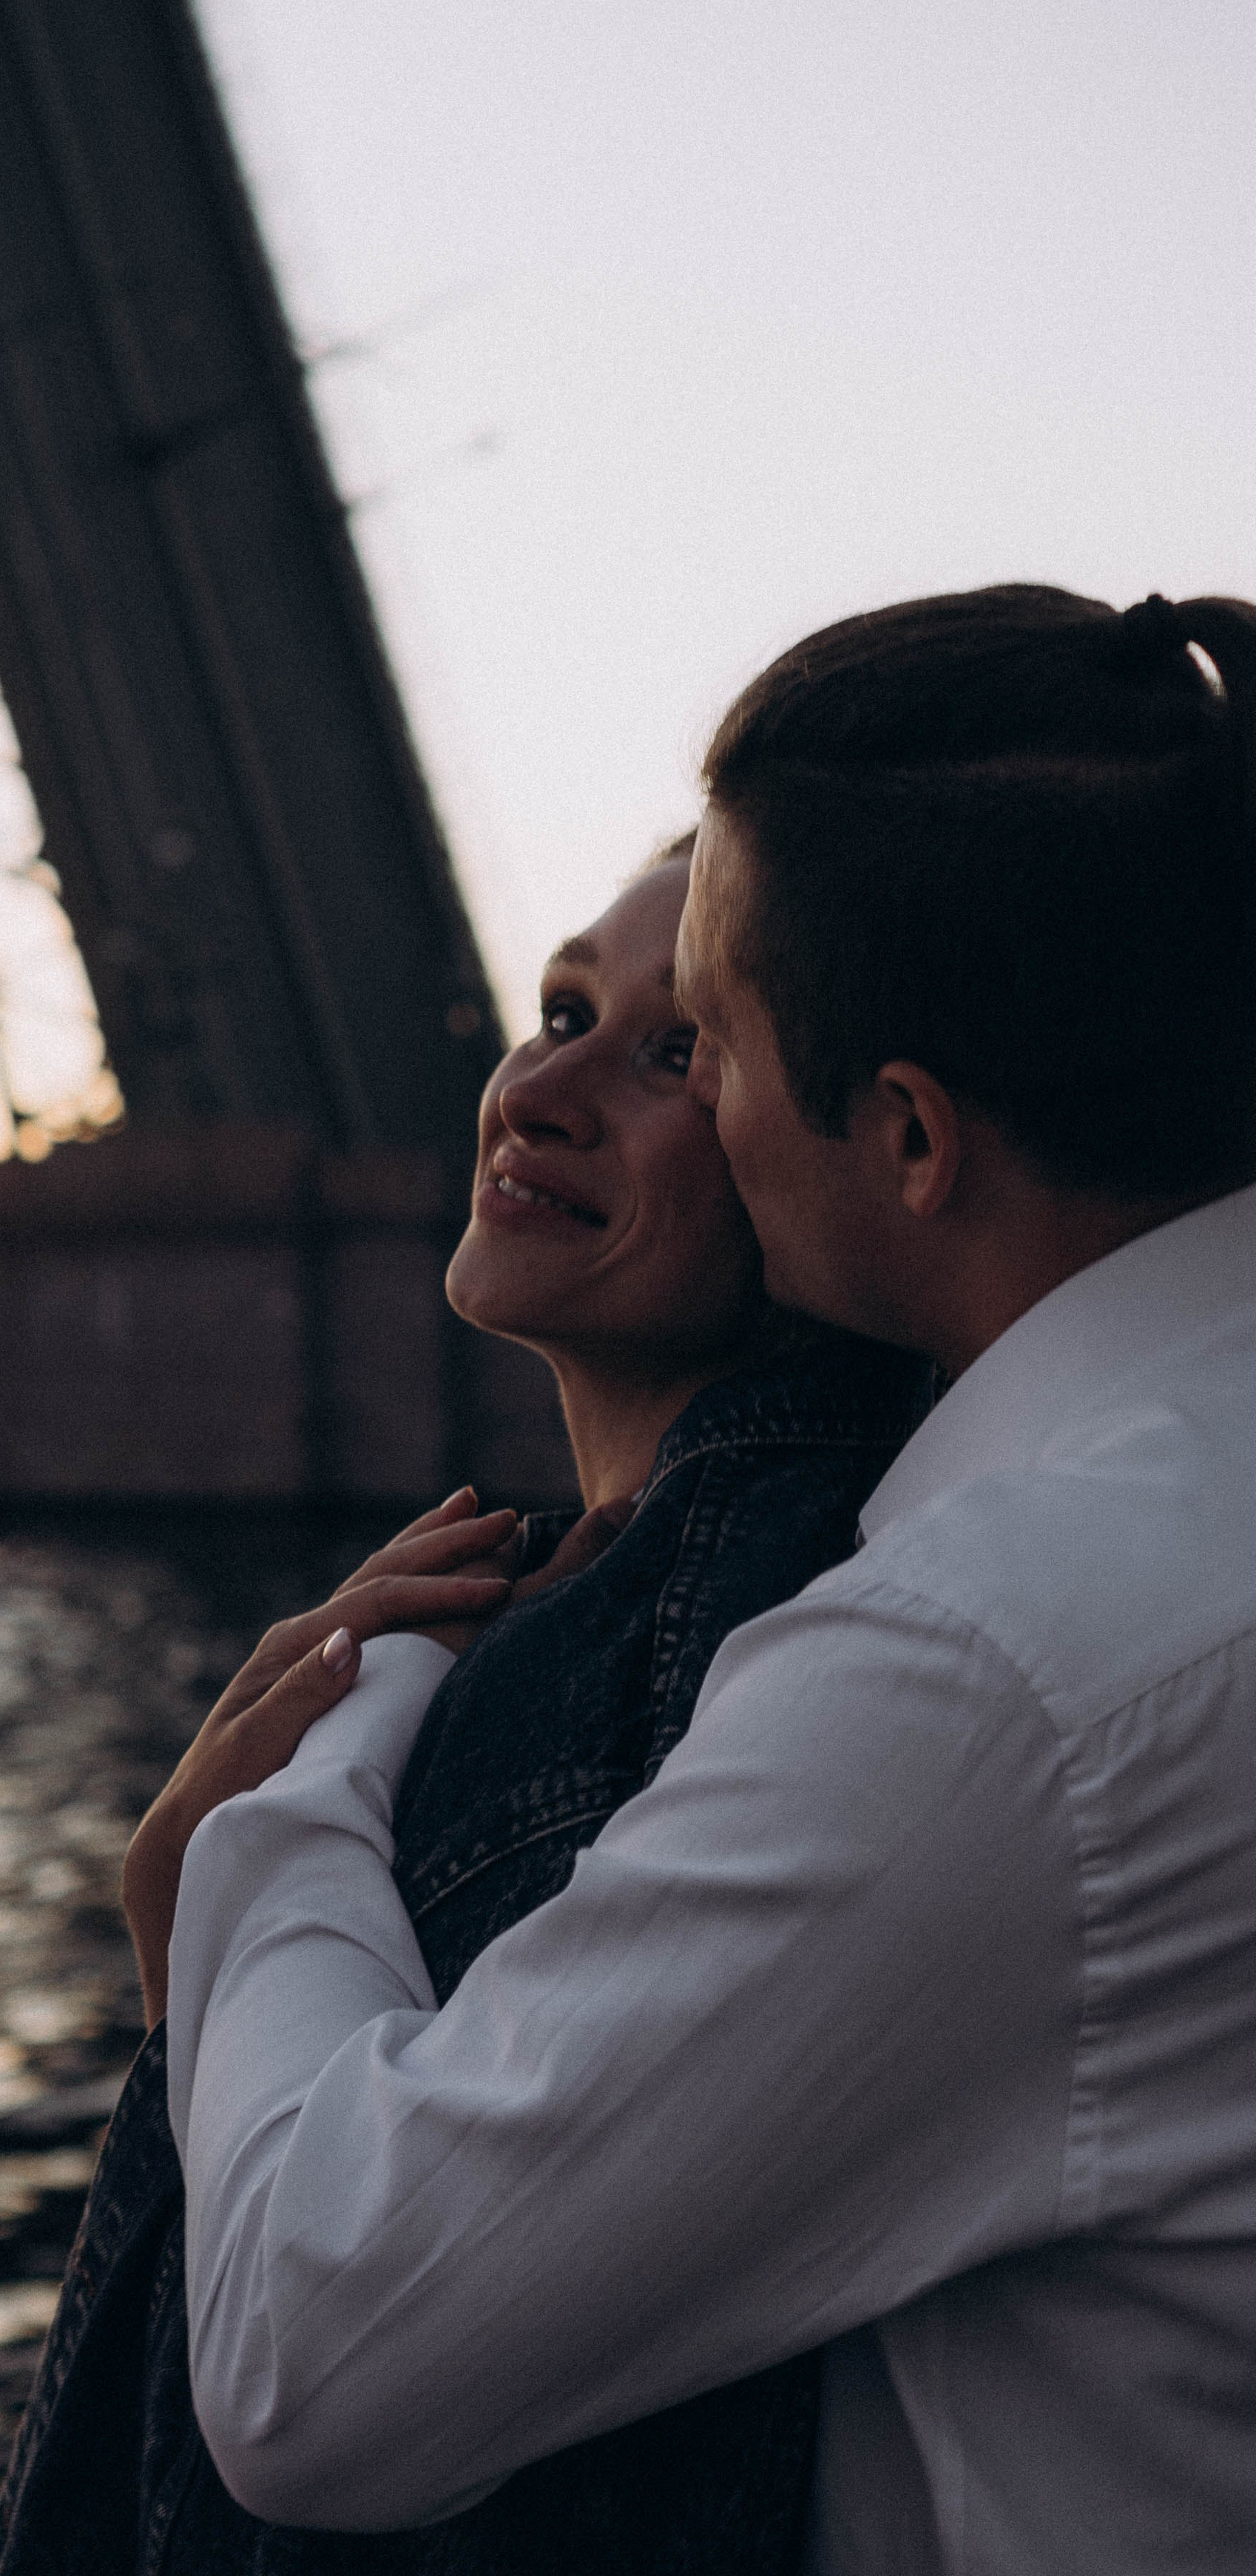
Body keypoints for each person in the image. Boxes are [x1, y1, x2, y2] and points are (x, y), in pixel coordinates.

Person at [155, 586, 1256, 2576]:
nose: (573, 1091)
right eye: (563, 1010)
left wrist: (289, 1802)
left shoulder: (989, 1669)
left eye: (708, 1046)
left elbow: (311, 2359)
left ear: (905, 1137)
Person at [0, 842, 933, 2574]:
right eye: (558, 1012)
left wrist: (210, 1895)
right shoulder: (694, 1583)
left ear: (843, 1149)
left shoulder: (610, 1669)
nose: (539, 1093)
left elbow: (298, 2443)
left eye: (672, 1052)